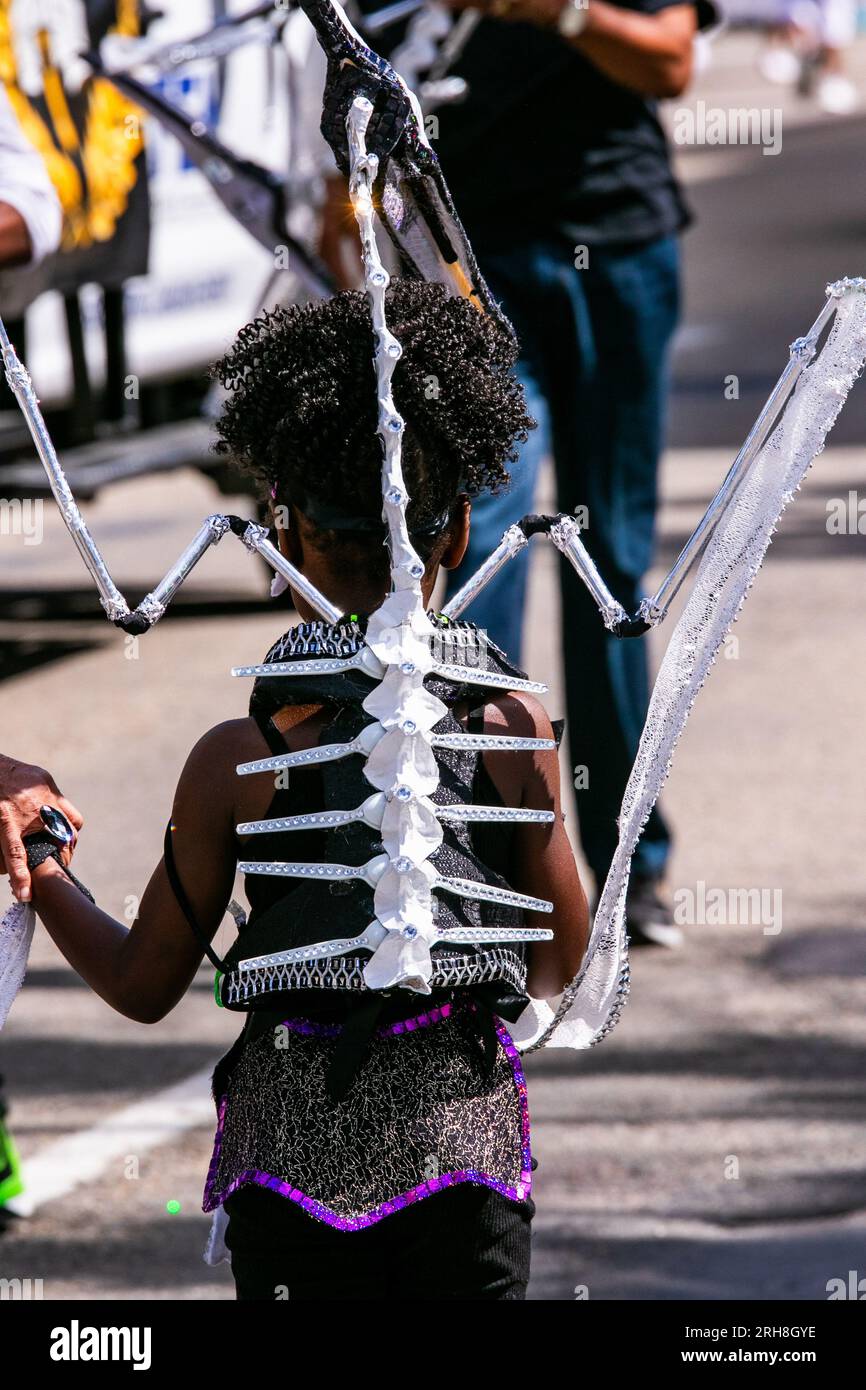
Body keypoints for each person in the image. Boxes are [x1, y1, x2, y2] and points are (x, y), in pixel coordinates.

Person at [10, 281, 589, 1299]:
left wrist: (43, 855)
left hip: (289, 1183)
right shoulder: (510, 727)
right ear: (455, 529)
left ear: (280, 536)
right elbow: (562, 967)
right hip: (466, 1173)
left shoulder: (236, 761)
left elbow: (144, 984)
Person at [397, 0, 717, 946]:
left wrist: (560, 11)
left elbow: (669, 63)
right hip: (473, 260)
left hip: (618, 246)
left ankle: (626, 866)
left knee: (608, 559)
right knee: (481, 548)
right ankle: (480, 858)